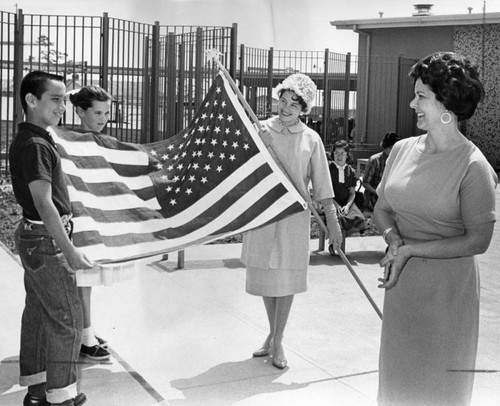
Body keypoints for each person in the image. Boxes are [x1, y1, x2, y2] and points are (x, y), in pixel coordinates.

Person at [374, 52, 497, 405]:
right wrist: (392, 237)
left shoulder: (474, 166)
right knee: (398, 383)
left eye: (421, 96)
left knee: (438, 389)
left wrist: (412, 249)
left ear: (447, 103)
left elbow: (479, 240)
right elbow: (382, 209)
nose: (412, 104)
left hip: (447, 297)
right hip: (401, 288)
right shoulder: (400, 150)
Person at [241, 73, 343, 369]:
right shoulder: (260, 129)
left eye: (293, 104)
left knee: (285, 280)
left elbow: (323, 185)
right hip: (264, 215)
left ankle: (277, 341)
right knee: (267, 279)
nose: (285, 108)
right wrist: (256, 145)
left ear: (304, 109)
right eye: (282, 101)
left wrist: (333, 222)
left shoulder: (311, 139)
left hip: (293, 219)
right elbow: (247, 170)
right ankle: (273, 336)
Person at [9, 70, 92, 406]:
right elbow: (44, 203)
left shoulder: (31, 139)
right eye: (55, 99)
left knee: (40, 315)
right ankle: (61, 397)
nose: (62, 106)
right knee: (67, 320)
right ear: (31, 100)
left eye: (63, 99)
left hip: (34, 238)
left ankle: (37, 389)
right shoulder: (36, 145)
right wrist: (69, 250)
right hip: (47, 241)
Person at [68, 85, 135, 361]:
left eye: (107, 112)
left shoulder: (98, 139)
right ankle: (83, 336)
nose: (104, 118)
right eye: (97, 112)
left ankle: (85, 332)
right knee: (80, 281)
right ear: (80, 111)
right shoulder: (69, 140)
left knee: (86, 282)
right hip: (74, 221)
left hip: (90, 219)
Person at [328, 140, 367, 255]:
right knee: (339, 218)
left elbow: (352, 193)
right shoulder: (328, 169)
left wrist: (347, 205)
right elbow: (326, 191)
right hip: (331, 201)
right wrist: (336, 205)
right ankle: (334, 243)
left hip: (346, 202)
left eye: (342, 153)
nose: (339, 156)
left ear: (347, 155)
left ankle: (340, 241)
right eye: (336, 153)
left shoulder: (351, 171)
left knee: (359, 218)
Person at [362, 131, 401, 212]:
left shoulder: (398, 160)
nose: (394, 151)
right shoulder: (375, 160)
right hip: (374, 199)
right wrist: (377, 193)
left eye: (396, 148)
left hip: (391, 198)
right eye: (391, 148)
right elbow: (365, 183)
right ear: (385, 148)